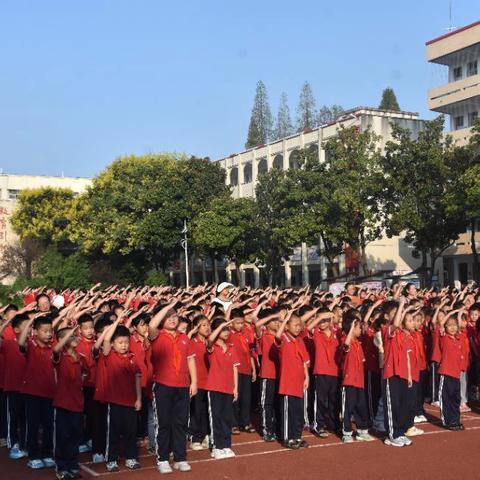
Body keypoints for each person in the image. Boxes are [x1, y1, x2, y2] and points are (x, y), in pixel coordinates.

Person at [148, 302, 197, 474]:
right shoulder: (157, 335)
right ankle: (162, 458)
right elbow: (152, 325)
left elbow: (190, 359)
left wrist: (194, 382)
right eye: (168, 317)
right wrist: (166, 307)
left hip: (182, 385)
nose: (172, 320)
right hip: (163, 385)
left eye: (174, 316)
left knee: (181, 422)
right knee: (163, 423)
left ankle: (180, 458)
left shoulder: (184, 337)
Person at [102, 320, 142, 472]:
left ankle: (131, 458)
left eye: (126, 342)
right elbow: (106, 339)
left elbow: (137, 379)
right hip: (114, 402)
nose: (124, 345)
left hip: (130, 402)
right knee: (113, 432)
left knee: (131, 432)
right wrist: (117, 322)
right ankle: (111, 459)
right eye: (120, 342)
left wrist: (138, 399)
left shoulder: (132, 357)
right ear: (113, 344)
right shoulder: (109, 356)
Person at [18, 315, 56, 469]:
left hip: (49, 393)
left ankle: (47, 453)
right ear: (35, 332)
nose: (49, 334)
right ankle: (33, 455)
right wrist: (30, 324)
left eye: (50, 331)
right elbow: (21, 342)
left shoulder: (53, 347)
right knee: (33, 425)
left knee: (48, 425)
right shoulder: (31, 345)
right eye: (45, 331)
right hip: (32, 393)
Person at [52, 326, 86, 480]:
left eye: (75, 336)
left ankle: (72, 465)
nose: (75, 339)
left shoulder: (80, 357)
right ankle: (61, 466)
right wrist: (67, 336)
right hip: (63, 403)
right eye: (71, 337)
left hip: (77, 403)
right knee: (63, 436)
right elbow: (56, 349)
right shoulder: (60, 356)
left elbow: (85, 374)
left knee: (75, 436)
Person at [275, 310, 310, 450]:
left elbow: (304, 360)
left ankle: (297, 436)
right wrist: (285, 320)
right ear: (287, 326)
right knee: (288, 412)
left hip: (299, 382)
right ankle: (287, 438)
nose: (298, 327)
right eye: (295, 325)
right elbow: (277, 336)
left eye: (299, 325)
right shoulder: (284, 338)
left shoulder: (299, 340)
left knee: (298, 411)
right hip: (287, 383)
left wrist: (306, 376)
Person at [206, 317, 239, 460]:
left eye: (227, 329)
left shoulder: (231, 347)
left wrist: (235, 388)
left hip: (228, 388)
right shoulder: (212, 347)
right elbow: (209, 341)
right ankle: (216, 446)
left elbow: (235, 368)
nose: (227, 332)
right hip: (214, 387)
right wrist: (220, 326)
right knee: (216, 417)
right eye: (223, 329)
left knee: (226, 418)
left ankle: (226, 444)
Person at [340, 310, 375, 443]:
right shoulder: (346, 340)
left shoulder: (358, 344)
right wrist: (350, 329)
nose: (361, 330)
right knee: (348, 408)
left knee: (361, 407)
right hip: (349, 382)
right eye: (358, 327)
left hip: (359, 381)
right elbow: (345, 346)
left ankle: (362, 431)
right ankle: (347, 432)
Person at [382, 298, 413, 447]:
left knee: (402, 405)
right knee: (392, 405)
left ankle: (400, 432)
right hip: (391, 373)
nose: (398, 316)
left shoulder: (403, 334)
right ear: (387, 317)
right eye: (394, 314)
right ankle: (393, 434)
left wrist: (409, 374)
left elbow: (406, 356)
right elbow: (395, 323)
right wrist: (401, 304)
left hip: (402, 373)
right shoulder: (387, 329)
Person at [307, 309, 340, 437]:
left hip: (335, 372)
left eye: (325, 320)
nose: (322, 323)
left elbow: (338, 323)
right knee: (320, 400)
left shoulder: (336, 333)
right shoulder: (316, 333)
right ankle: (318, 425)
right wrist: (320, 317)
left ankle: (334, 424)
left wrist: (331, 316)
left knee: (334, 400)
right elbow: (309, 327)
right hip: (320, 371)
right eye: (320, 320)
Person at [0, 313, 29, 459]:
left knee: (26, 419)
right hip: (13, 387)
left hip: (29, 388)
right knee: (13, 418)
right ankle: (14, 444)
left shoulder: (32, 344)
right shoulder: (8, 343)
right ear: (16, 329)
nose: (29, 328)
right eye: (26, 325)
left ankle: (24, 444)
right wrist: (7, 322)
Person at [229, 308, 256, 434]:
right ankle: (233, 423)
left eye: (241, 323)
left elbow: (250, 353)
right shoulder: (229, 334)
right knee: (235, 398)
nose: (240, 325)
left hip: (246, 370)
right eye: (237, 323)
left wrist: (253, 369)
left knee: (246, 398)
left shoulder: (245, 334)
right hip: (235, 370)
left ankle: (245, 422)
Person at [255, 309, 280, 442]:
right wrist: (274, 315)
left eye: (277, 321)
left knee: (276, 404)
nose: (276, 323)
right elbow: (257, 325)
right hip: (267, 375)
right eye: (273, 321)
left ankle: (276, 428)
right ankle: (267, 430)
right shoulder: (264, 335)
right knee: (266, 404)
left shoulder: (281, 337)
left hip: (279, 375)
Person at [438, 309, 465, 431]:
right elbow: (440, 324)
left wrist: (459, 314)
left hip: (456, 374)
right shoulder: (444, 338)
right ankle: (447, 421)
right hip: (446, 373)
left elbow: (459, 326)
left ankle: (455, 419)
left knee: (456, 398)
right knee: (446, 398)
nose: (453, 328)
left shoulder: (458, 338)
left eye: (454, 325)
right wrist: (451, 312)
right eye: (449, 325)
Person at [187, 314, 211, 450]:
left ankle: (206, 435)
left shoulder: (210, 342)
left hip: (210, 382)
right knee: (196, 411)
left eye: (208, 325)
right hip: (197, 382)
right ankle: (195, 437)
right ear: (196, 328)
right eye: (203, 325)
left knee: (207, 411)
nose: (207, 328)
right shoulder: (191, 342)